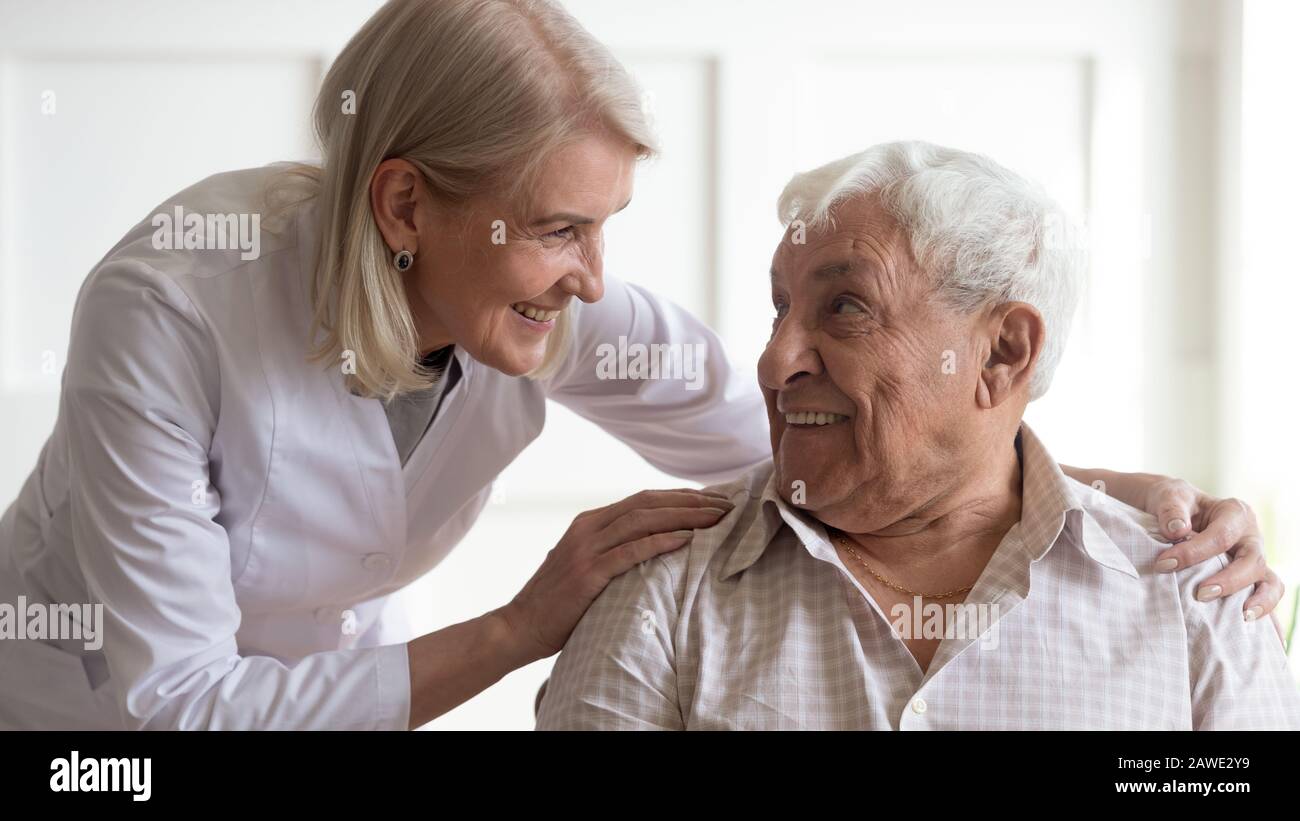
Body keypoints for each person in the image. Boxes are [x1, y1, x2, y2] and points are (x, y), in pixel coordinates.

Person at [0, 1, 1279, 731]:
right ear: (404, 206)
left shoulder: (540, 296)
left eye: (601, 224)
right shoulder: (165, 310)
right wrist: (513, 629)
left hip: (331, 686)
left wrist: (1101, 498)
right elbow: (180, 703)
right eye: (559, 227)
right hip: (94, 716)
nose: (594, 278)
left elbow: (796, 429)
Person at [535, 142, 1300, 730]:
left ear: (1002, 354)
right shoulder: (659, 596)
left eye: (843, 307)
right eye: (779, 308)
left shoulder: (1200, 600)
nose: (773, 359)